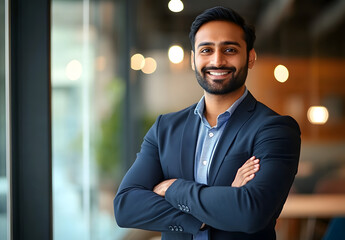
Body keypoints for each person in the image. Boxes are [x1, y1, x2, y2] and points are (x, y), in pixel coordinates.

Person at [114, 6, 301, 240]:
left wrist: (173, 189)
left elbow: (251, 212)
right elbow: (126, 207)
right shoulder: (165, 128)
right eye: (206, 50)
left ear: (250, 57)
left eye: (230, 49)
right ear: (193, 59)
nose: (217, 60)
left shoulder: (275, 129)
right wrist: (216, 207)